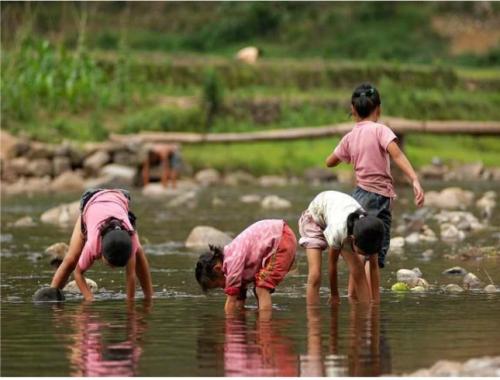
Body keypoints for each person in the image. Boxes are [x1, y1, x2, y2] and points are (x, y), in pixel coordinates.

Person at [325, 83, 425, 297]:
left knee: (358, 249)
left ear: (353, 110)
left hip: (358, 197)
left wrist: (344, 155)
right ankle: (370, 304)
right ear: (378, 109)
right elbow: (397, 155)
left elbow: (330, 162)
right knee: (373, 254)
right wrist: (414, 179)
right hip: (378, 198)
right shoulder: (381, 130)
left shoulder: (350, 137)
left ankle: (354, 298)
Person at [50, 188, 153, 301]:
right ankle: (50, 295)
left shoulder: (130, 237)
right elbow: (78, 273)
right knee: (71, 259)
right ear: (101, 251)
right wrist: (89, 299)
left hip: (120, 199)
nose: (113, 269)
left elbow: (131, 276)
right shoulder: (93, 244)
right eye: (110, 264)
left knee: (138, 252)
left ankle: (149, 297)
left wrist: (130, 306)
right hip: (91, 200)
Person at [299, 191, 384, 305]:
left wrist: (376, 304)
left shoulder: (371, 233)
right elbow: (332, 264)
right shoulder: (338, 232)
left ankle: (365, 309)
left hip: (337, 215)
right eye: (362, 252)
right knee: (315, 275)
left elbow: (373, 268)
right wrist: (334, 294)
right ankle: (313, 317)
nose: (364, 256)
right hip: (315, 219)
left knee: (358, 268)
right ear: (352, 240)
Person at [195, 219, 297, 313]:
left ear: (217, 269)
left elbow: (231, 302)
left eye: (219, 284)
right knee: (258, 289)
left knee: (261, 288)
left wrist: (229, 325)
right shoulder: (231, 260)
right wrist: (240, 314)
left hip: (281, 240)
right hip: (279, 238)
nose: (223, 288)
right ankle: (261, 318)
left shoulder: (232, 261)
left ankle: (265, 326)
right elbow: (238, 300)